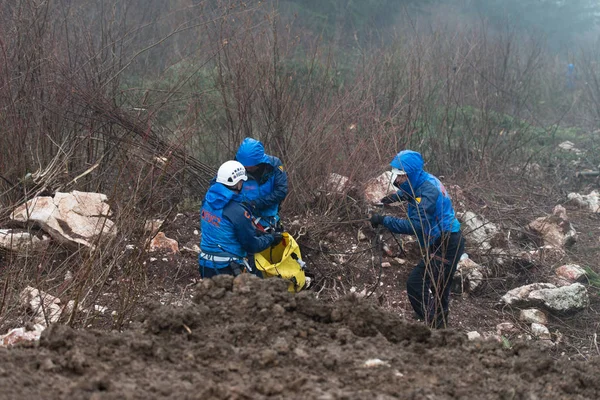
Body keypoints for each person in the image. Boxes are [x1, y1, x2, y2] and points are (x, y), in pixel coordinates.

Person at [370, 150, 464, 329]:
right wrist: (388, 199)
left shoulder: (428, 192)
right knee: (432, 285)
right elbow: (410, 193)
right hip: (441, 241)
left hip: (446, 243)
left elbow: (416, 226)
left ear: (409, 175)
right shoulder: (420, 181)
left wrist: (384, 220)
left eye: (400, 176)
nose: (396, 181)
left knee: (425, 285)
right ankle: (431, 320)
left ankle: (436, 327)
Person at [198, 160, 283, 278]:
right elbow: (252, 246)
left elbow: (224, 227)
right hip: (227, 269)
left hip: (205, 265)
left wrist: (256, 232)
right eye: (242, 181)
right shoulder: (237, 211)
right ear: (237, 183)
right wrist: (271, 238)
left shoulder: (207, 200)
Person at [235, 137, 288, 232]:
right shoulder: (233, 166)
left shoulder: (274, 165)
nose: (246, 169)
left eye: (250, 167)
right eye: (244, 166)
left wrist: (256, 203)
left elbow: (281, 191)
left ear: (259, 161)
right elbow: (221, 187)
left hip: (269, 218)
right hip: (243, 219)